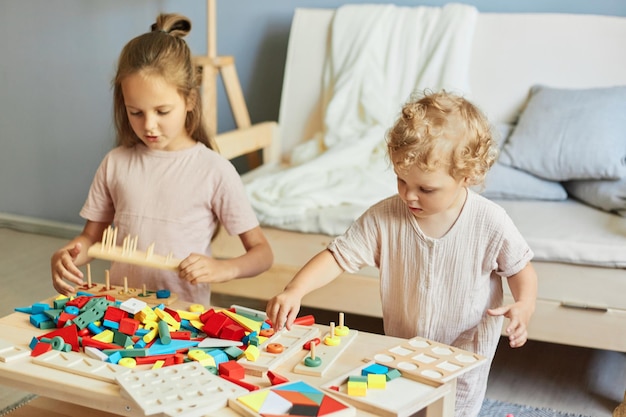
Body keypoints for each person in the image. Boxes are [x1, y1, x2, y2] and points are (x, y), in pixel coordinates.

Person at [266, 90, 537, 416]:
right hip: (403, 343)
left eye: (426, 188)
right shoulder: (385, 216)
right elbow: (338, 255)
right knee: (404, 403)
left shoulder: (490, 221)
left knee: (454, 410)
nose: (409, 195)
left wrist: (524, 305)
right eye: (400, 180)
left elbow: (521, 269)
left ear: (465, 177)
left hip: (466, 346)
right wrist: (296, 289)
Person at [51, 13, 273, 305]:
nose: (149, 126)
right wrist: (67, 255)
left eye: (162, 111)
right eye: (136, 112)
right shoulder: (115, 163)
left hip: (183, 319)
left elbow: (262, 253)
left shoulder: (214, 170)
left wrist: (224, 268)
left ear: (190, 100)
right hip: (121, 311)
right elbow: (91, 238)